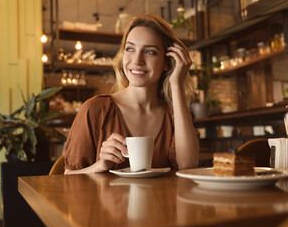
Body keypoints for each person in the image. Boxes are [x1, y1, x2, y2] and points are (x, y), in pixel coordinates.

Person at [64, 13, 199, 174]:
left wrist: (176, 83)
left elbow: (188, 166)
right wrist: (100, 166)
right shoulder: (94, 109)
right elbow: (68, 177)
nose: (136, 60)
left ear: (166, 62)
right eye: (130, 49)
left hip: (162, 200)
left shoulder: (174, 114)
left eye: (150, 52)